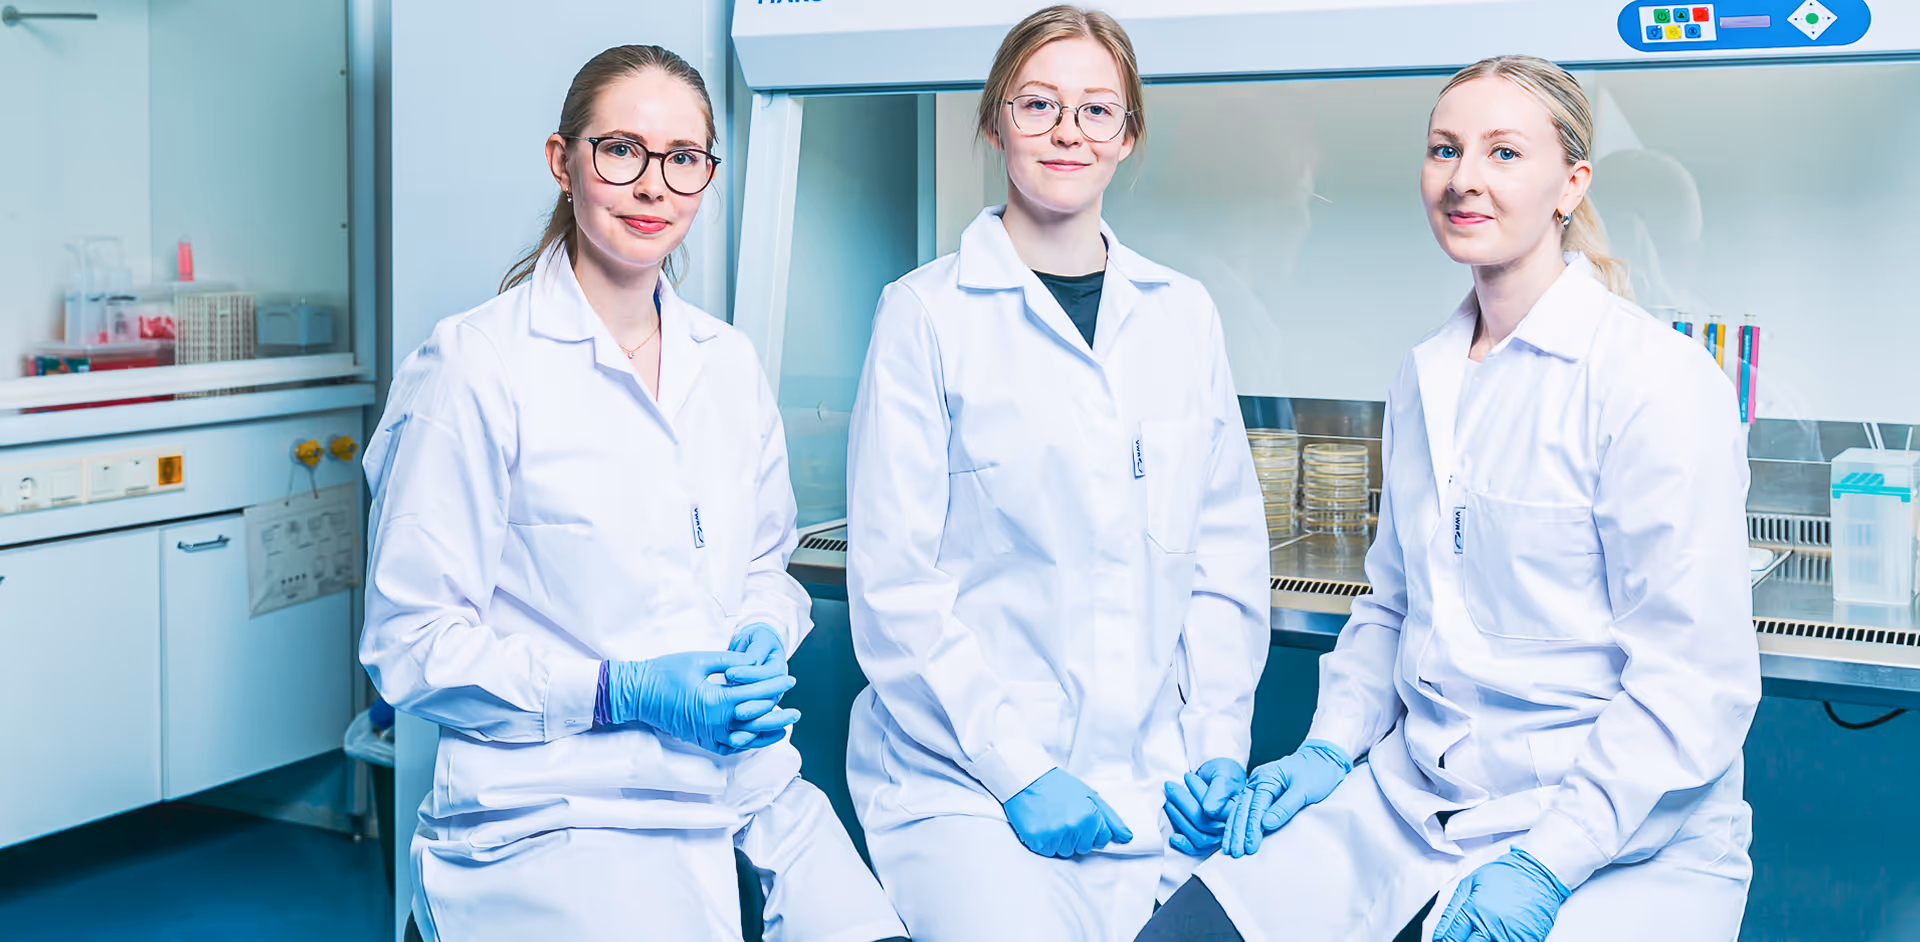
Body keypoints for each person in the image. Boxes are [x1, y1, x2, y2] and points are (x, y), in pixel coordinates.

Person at [1134, 54, 1760, 942]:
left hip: (1612, 836)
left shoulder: (1651, 382)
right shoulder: (1425, 375)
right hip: (1410, 805)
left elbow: (1693, 684)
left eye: (1504, 153)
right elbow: (1395, 606)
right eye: (1444, 149)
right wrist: (1325, 748)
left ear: (1570, 184)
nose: (1464, 179)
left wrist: (1549, 860)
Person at [359, 44, 906, 942]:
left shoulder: (724, 364)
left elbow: (767, 561)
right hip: (554, 809)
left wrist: (766, 630)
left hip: (744, 781)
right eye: (622, 150)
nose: (654, 186)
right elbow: (411, 645)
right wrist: (622, 691)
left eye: (684, 160)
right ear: (562, 162)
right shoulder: (475, 366)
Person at [843, 6, 1271, 941]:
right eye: (1038, 106)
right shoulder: (924, 315)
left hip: (1159, 785)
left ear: (1128, 137)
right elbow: (895, 586)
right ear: (995, 123)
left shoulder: (1182, 315)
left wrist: (1218, 751)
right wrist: (1016, 768)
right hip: (966, 785)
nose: (1068, 132)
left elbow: (1225, 563)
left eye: (1096, 110)